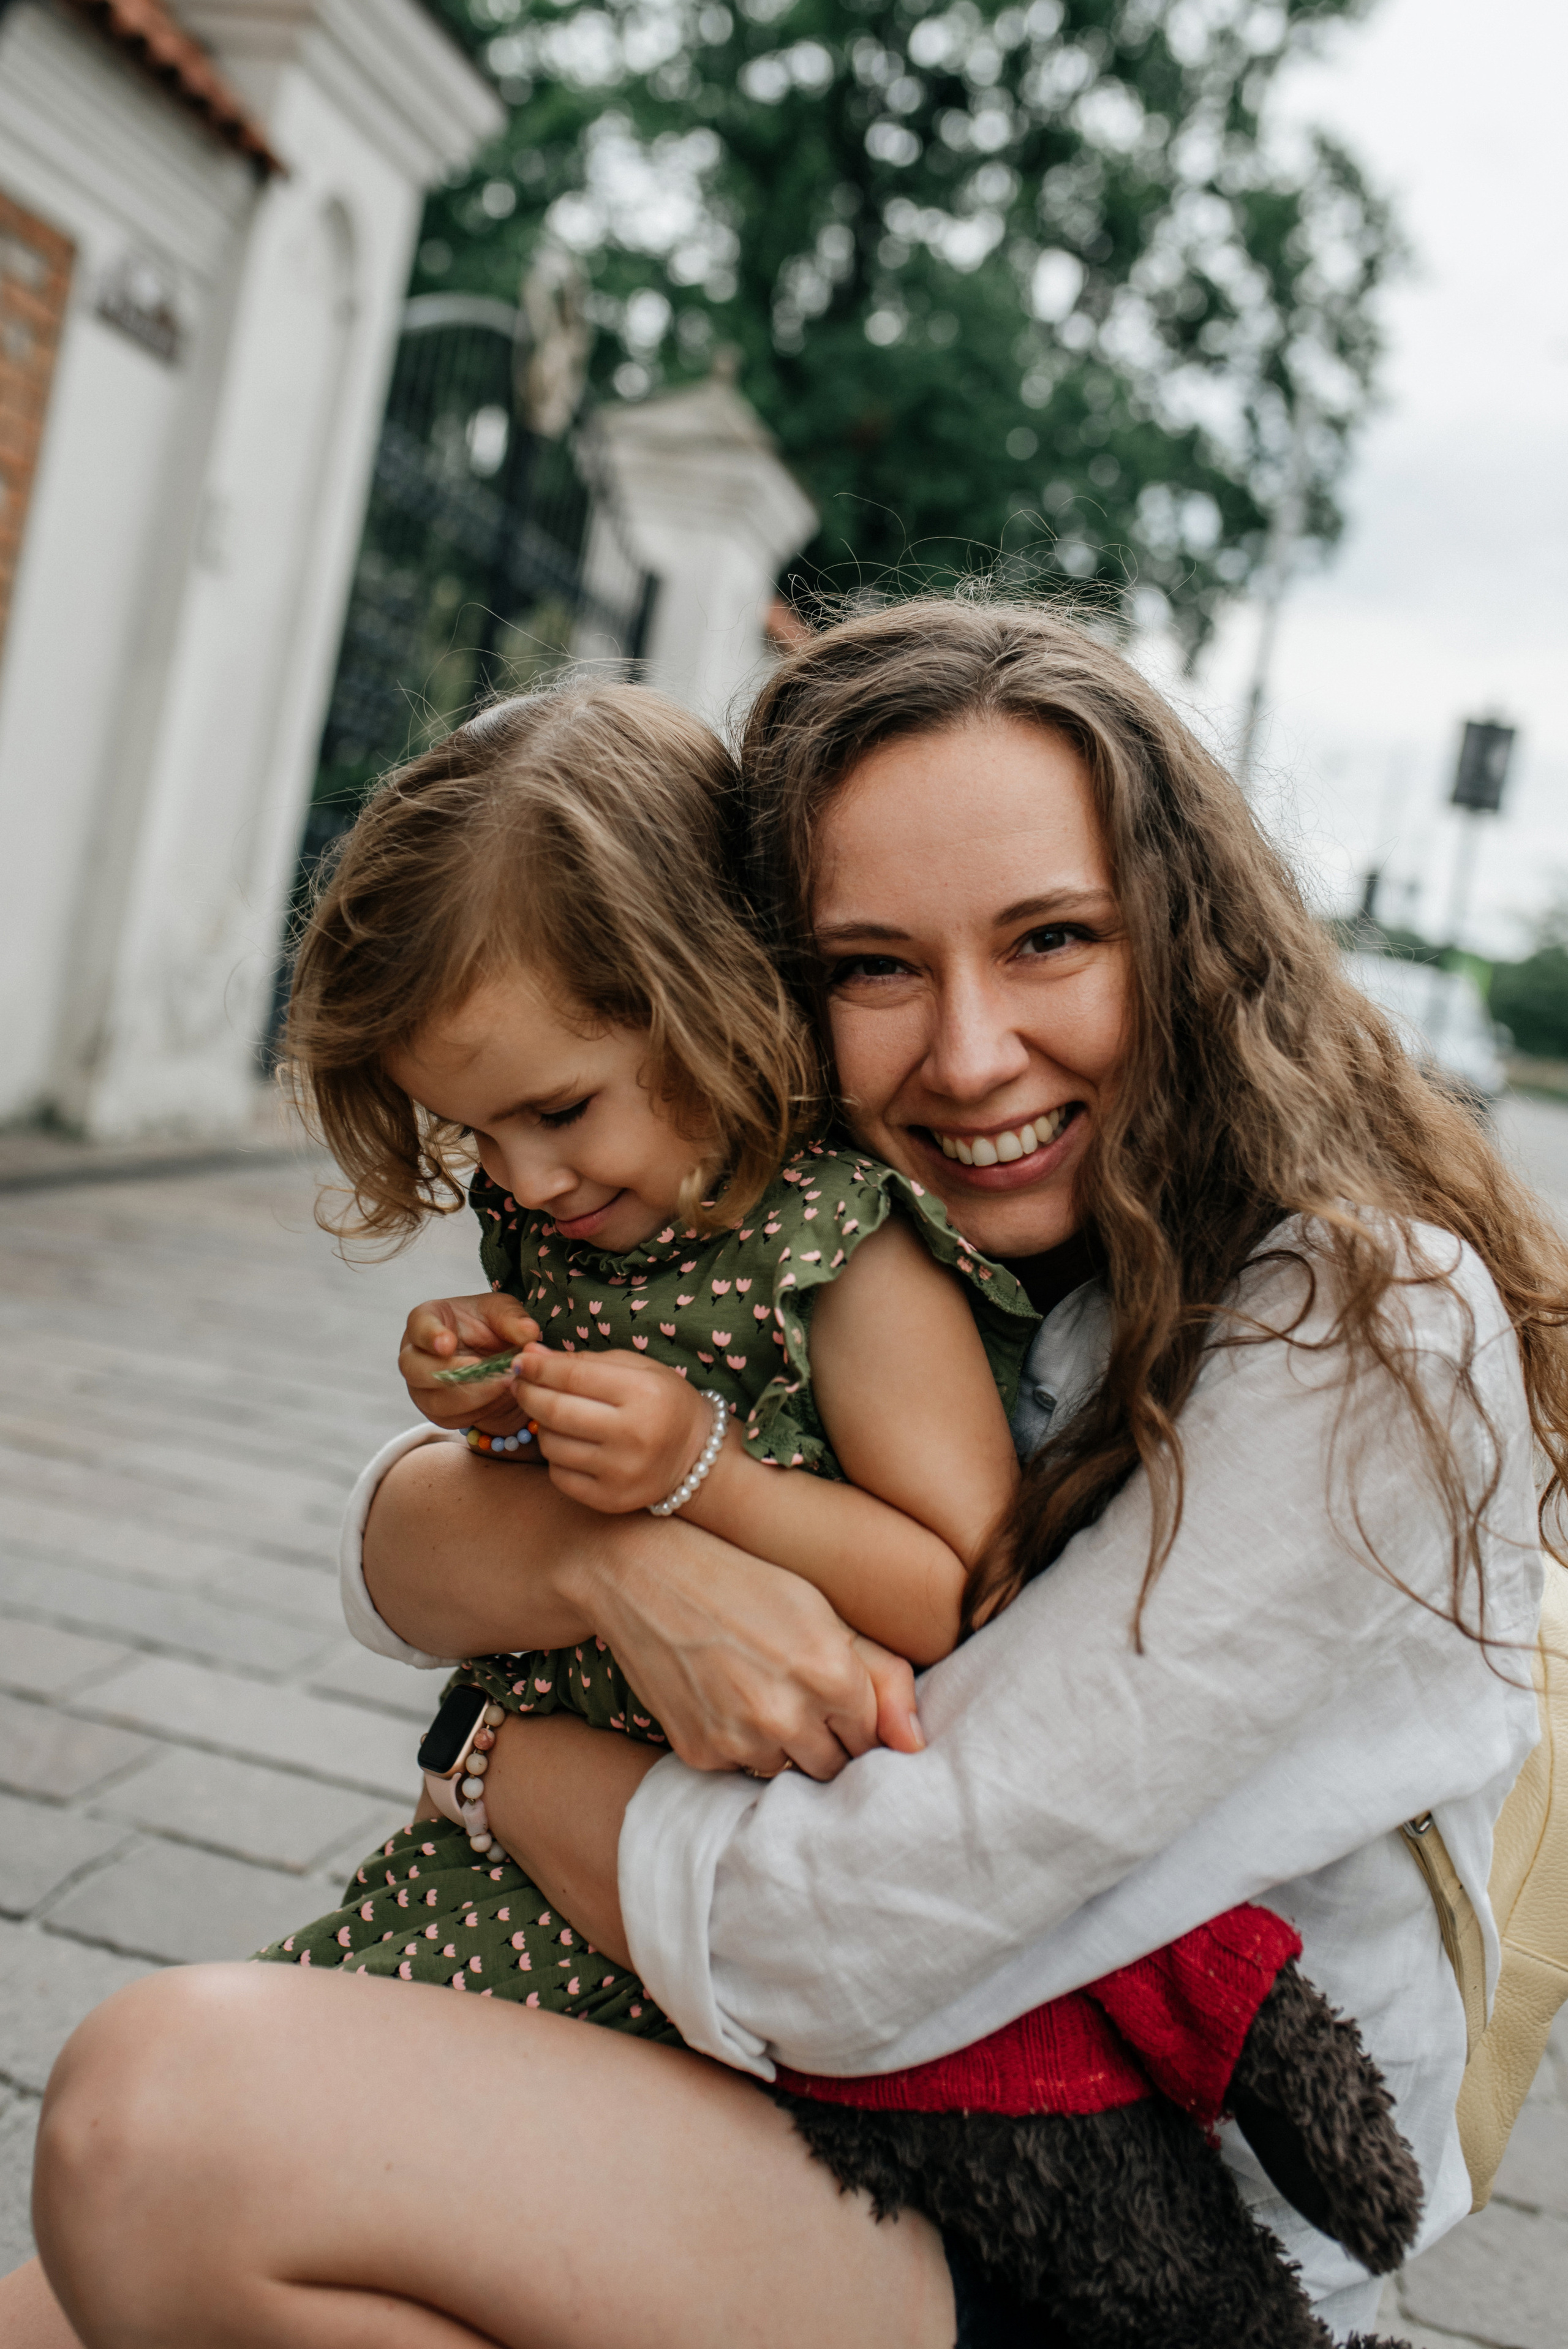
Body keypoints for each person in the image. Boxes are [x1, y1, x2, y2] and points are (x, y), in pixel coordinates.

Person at [7, 597, 1559, 2349]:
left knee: (163, 2130)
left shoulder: (1362, 1323)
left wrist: (498, 1756)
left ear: (1193, 937)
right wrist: (610, 1557)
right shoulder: (953, 1235)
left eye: (1052, 938)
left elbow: (850, 1940)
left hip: (1123, 2233)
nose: (968, 1052)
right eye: (874, 967)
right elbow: (391, 1554)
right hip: (815, 2107)